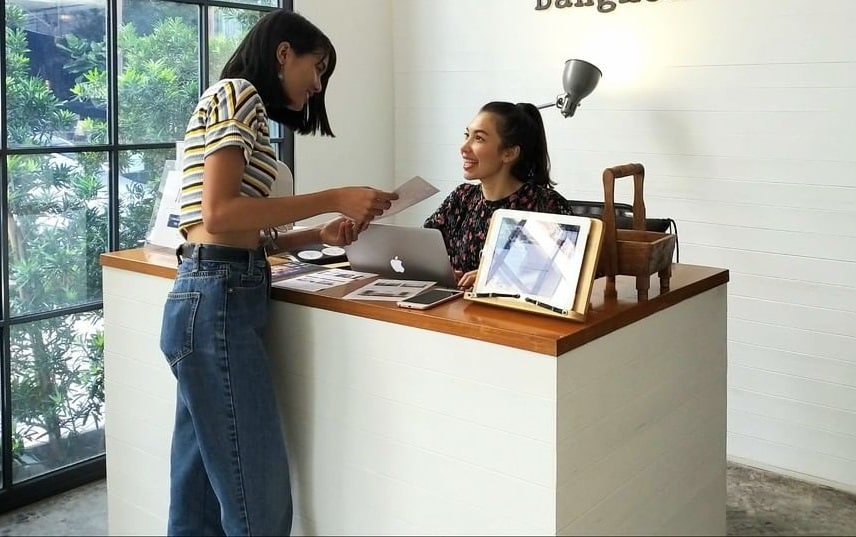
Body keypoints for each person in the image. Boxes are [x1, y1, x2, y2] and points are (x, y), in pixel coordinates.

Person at [158, 10, 397, 536]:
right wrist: (335, 194)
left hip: (211, 292)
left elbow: (231, 228)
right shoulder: (237, 93)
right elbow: (220, 216)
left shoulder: (239, 107)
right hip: (217, 298)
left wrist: (317, 235)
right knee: (257, 500)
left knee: (198, 495)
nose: (317, 84)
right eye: (317, 67)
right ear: (284, 52)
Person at [423, 101, 573, 288]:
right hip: (458, 311)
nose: (464, 147)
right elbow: (422, 249)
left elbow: (574, 274)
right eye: (466, 135)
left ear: (509, 153)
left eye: (478, 138)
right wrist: (443, 274)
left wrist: (495, 277)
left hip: (516, 315)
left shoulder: (546, 206)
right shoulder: (461, 198)